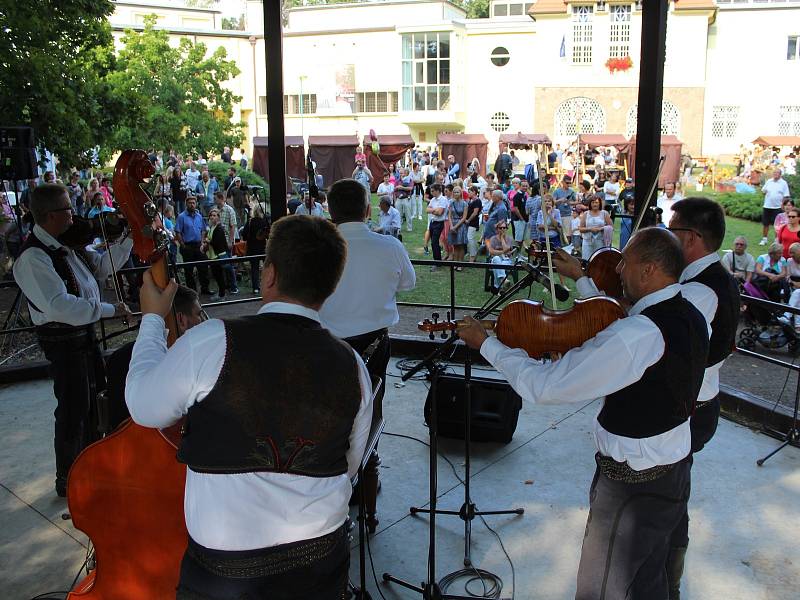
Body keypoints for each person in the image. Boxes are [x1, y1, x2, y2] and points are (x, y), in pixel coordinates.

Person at [126, 215, 373, 599]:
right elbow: (348, 463)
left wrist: (152, 321)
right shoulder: (353, 366)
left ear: (269, 274)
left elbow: (143, 407)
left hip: (226, 571)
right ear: (330, 287)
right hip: (320, 558)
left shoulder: (212, 341)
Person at [461, 227, 709, 600]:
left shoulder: (638, 335)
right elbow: (615, 323)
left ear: (649, 270)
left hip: (633, 487)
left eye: (626, 261)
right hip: (673, 471)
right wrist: (581, 281)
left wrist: (487, 345)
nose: (619, 270)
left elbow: (545, 386)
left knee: (603, 586)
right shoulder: (690, 313)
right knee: (647, 578)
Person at [13, 183, 133, 496]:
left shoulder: (67, 245)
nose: (75, 215)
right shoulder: (33, 259)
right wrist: (110, 309)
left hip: (84, 338)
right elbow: (61, 306)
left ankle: (92, 466)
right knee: (73, 409)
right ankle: (68, 477)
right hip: (63, 343)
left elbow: (101, 270)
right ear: (50, 215)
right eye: (68, 209)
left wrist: (130, 238)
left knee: (94, 404)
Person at [105, 285, 204, 432]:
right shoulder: (191, 362)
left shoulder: (119, 357)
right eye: (199, 314)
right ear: (181, 320)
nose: (203, 320)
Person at [175, 195, 211, 296]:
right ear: (186, 204)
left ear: (196, 204)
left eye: (193, 203)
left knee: (203, 267)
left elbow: (203, 230)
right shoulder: (181, 217)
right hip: (187, 246)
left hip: (198, 245)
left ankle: (205, 289)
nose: (192, 205)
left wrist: (203, 241)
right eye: (190, 203)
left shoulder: (199, 216)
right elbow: (177, 232)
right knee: (189, 270)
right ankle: (192, 292)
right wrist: (182, 244)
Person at [212, 191, 239, 294]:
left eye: (216, 198)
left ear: (221, 198)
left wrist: (231, 241)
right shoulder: (216, 210)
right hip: (218, 243)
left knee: (228, 265)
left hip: (226, 241)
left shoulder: (229, 210)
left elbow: (233, 226)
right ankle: (226, 285)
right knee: (222, 265)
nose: (214, 200)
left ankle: (234, 286)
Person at [205, 207, 232, 301]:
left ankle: (222, 295)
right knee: (216, 275)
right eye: (211, 215)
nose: (212, 217)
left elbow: (217, 242)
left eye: (214, 215)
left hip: (218, 255)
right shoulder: (212, 227)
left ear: (218, 217)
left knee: (219, 275)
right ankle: (221, 293)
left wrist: (208, 241)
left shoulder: (219, 228)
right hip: (212, 255)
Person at [243, 200, 269, 294]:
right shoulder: (265, 222)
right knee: (267, 267)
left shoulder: (250, 222)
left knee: (255, 268)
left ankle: (256, 288)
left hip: (252, 248)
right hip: (263, 248)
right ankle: (267, 285)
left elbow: (244, 235)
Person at [760, 168, 791, 245]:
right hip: (767, 205)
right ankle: (764, 239)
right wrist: (765, 193)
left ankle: (776, 240)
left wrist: (783, 205)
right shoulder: (769, 181)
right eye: (774, 173)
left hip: (777, 207)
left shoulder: (783, 183)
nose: (775, 174)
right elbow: (763, 191)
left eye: (777, 173)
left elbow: (786, 195)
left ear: (780, 174)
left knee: (777, 224)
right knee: (765, 223)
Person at [579, 195, 613, 260]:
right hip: (587, 242)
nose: (595, 204)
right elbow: (581, 229)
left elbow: (611, 227)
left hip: (600, 242)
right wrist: (590, 229)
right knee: (587, 260)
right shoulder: (586, 214)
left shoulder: (604, 213)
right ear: (590, 204)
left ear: (599, 203)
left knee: (599, 260)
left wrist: (601, 228)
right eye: (593, 202)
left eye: (596, 202)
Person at [485, 219, 515, 291]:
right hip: (495, 260)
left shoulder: (509, 239)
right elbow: (491, 252)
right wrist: (503, 252)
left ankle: (497, 287)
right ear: (497, 229)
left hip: (507, 260)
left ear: (506, 229)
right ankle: (504, 281)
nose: (502, 229)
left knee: (498, 265)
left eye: (504, 228)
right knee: (496, 259)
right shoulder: (493, 239)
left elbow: (507, 249)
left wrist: (502, 238)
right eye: (500, 228)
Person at [426, 183, 449, 271]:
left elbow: (440, 213)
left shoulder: (442, 200)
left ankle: (437, 262)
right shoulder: (433, 200)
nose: (431, 193)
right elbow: (427, 209)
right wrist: (434, 210)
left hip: (439, 223)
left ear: (438, 191)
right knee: (433, 242)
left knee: (434, 242)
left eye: (433, 191)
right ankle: (437, 261)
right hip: (433, 222)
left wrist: (432, 210)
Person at [448, 185, 468, 267]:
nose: (456, 193)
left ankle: (461, 264)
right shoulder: (451, 202)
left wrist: (455, 227)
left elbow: (464, 217)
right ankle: (455, 263)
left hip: (461, 225)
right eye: (454, 192)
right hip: (453, 224)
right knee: (455, 245)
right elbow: (449, 215)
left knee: (461, 245)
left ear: (461, 193)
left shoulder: (464, 203)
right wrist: (451, 226)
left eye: (458, 192)